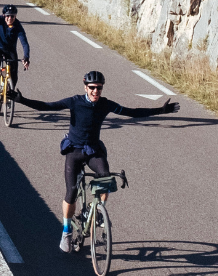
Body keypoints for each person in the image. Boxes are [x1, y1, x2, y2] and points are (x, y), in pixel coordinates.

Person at [13, 69, 179, 252]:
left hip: (93, 150)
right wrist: (22, 100)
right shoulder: (74, 102)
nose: (95, 91)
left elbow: (132, 112)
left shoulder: (105, 104)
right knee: (72, 191)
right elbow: (46, 106)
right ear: (85, 87)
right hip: (74, 150)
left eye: (99, 88)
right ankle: (66, 231)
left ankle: (97, 212)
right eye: (92, 87)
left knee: (106, 178)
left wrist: (161, 111)